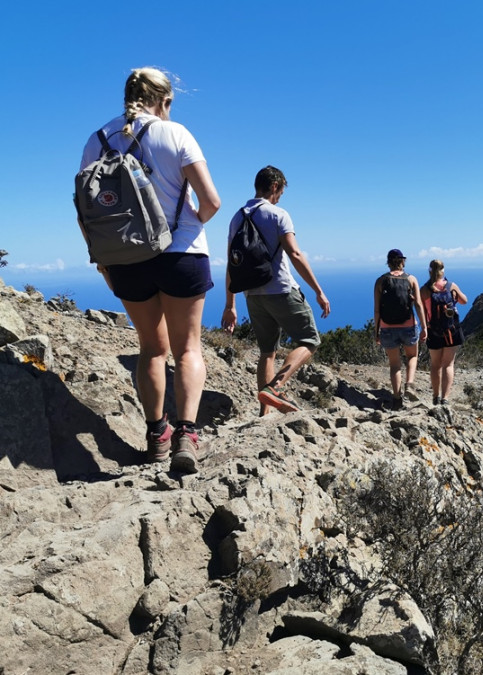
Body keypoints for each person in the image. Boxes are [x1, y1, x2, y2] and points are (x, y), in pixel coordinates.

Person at [79, 67, 221, 474]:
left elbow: (85, 210)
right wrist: (190, 219)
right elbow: (211, 201)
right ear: (165, 101)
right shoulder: (175, 134)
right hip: (182, 253)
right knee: (188, 348)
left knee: (151, 349)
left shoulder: (98, 139)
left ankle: (157, 435)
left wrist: (105, 262)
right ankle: (187, 436)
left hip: (125, 259)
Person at [221, 166, 331, 416]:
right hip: (280, 288)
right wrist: (318, 290)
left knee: (267, 352)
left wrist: (231, 305)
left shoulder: (237, 217)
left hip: (252, 295)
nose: (281, 196)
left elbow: (231, 262)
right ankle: (276, 387)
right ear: (274, 186)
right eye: (281, 190)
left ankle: (264, 413)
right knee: (310, 340)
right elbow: (294, 253)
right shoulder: (278, 214)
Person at [374, 250, 427, 410]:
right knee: (412, 356)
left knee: (395, 365)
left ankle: (397, 399)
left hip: (387, 328)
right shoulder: (411, 279)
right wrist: (424, 326)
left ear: (388, 262)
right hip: (408, 326)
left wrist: (376, 331)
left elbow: (377, 310)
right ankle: (409, 384)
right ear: (403, 261)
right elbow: (418, 304)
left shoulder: (381, 281)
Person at [421, 259, 468, 405]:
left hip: (433, 331)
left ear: (429, 271)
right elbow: (464, 301)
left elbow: (422, 311)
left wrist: (424, 329)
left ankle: (435, 397)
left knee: (435, 364)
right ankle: (445, 398)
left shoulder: (424, 290)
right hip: (451, 330)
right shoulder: (451, 286)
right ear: (443, 270)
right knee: (448, 364)